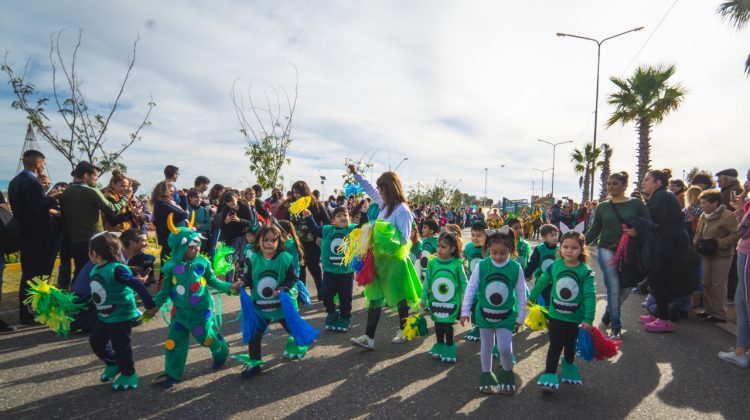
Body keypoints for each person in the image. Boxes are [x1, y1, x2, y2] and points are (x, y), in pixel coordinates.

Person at [152, 216, 241, 388]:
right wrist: (152, 307)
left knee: (206, 339)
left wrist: (231, 287)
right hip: (179, 314)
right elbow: (164, 291)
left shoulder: (203, 262)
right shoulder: (171, 267)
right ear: (180, 248)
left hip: (200, 313)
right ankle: (173, 374)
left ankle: (221, 351)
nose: (197, 248)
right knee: (173, 343)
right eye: (192, 246)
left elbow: (214, 281)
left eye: (198, 244)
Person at [348, 165, 421, 349]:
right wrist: (356, 174)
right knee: (374, 297)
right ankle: (369, 337)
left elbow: (404, 239)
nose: (379, 192)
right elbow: (369, 188)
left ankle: (405, 331)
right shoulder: (384, 204)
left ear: (390, 188)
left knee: (399, 298)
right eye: (379, 189)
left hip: (395, 263)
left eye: (382, 189)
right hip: (378, 260)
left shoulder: (403, 211)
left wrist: (380, 233)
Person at [584, 172, 650, 340]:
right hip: (606, 249)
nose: (611, 187)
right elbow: (594, 230)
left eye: (615, 183)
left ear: (624, 186)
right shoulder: (602, 206)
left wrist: (636, 231)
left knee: (626, 288)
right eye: (608, 183)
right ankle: (616, 325)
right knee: (613, 286)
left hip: (630, 252)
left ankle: (608, 313)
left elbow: (648, 224)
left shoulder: (636, 204)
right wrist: (577, 242)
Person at [240, 225, 312, 379]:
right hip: (259, 305)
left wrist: (282, 288)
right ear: (258, 241)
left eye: (274, 240)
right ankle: (254, 363)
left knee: (292, 328)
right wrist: (241, 282)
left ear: (279, 242)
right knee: (255, 335)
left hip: (280, 305)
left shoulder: (285, 259)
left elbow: (292, 278)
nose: (269, 243)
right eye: (266, 240)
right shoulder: (254, 258)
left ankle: (301, 342)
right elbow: (249, 277)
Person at [88, 232, 157, 390]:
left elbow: (137, 285)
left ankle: (128, 373)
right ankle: (113, 364)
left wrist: (150, 305)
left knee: (121, 347)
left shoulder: (117, 269)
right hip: (104, 315)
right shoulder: (96, 269)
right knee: (96, 341)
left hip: (120, 315)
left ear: (95, 253)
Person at [461, 228, 526, 394]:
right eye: (494, 252)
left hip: (506, 316)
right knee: (487, 347)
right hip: (484, 315)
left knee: (504, 347)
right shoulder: (482, 266)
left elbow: (521, 293)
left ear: (510, 250)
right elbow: (471, 288)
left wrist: (521, 315)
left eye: (503, 253)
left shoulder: (515, 268)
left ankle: (506, 374)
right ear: (488, 248)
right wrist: (465, 311)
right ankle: (486, 376)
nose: (498, 256)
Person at [528, 231, 596, 392]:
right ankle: (550, 374)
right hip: (556, 314)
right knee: (556, 343)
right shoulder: (555, 266)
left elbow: (590, 296)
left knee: (570, 344)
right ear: (560, 247)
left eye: (574, 247)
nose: (569, 250)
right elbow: (542, 282)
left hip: (575, 317)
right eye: (565, 246)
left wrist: (589, 318)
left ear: (581, 249)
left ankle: (568, 365)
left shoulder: (585, 272)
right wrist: (531, 297)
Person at [8, 150, 61, 324]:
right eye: (43, 164)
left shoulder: (15, 181)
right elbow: (37, 208)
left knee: (29, 273)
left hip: (25, 233)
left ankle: (29, 310)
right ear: (38, 164)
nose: (44, 167)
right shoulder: (32, 183)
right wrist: (52, 197)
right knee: (37, 274)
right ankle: (31, 311)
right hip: (38, 235)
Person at [639, 169, 690, 333]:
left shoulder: (661, 195)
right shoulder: (662, 195)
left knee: (655, 277)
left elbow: (649, 218)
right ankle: (660, 315)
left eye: (647, 179)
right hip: (672, 243)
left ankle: (663, 319)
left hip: (671, 244)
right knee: (663, 280)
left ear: (658, 182)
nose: (643, 182)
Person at [307, 206, 357, 332]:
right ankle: (332, 311)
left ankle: (345, 317)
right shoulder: (328, 230)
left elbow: (363, 226)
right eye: (339, 215)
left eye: (345, 215)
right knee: (325, 294)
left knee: (345, 298)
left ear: (349, 219)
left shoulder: (352, 229)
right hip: (329, 272)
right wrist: (309, 217)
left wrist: (364, 212)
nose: (343, 217)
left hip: (346, 273)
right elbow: (314, 229)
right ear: (333, 221)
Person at [693, 190, 739, 323]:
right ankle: (709, 310)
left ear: (715, 203)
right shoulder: (703, 215)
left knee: (718, 283)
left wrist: (718, 243)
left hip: (722, 255)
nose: (702, 206)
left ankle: (719, 313)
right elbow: (698, 231)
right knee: (705, 281)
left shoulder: (728, 216)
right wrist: (697, 242)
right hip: (706, 253)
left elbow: (735, 235)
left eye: (704, 203)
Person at [422, 232, 466, 363]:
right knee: (438, 323)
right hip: (435, 300)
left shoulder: (457, 264)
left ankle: (449, 346)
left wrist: (467, 302)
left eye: (443, 247)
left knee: (447, 324)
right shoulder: (432, 262)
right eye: (438, 246)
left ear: (452, 249)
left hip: (452, 301)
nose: (439, 249)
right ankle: (440, 344)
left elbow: (464, 283)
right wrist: (423, 299)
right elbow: (427, 282)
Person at [719, 179, 750, 367]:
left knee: (745, 302)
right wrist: (740, 209)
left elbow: (743, 232)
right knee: (740, 300)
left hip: (747, 255)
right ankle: (741, 348)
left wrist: (740, 212)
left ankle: (741, 352)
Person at [290, 180, 331, 296]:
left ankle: (321, 292)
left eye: (298, 192)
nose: (295, 195)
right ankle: (302, 296)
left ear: (305, 191)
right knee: (300, 269)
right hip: (298, 243)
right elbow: (288, 223)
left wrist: (320, 235)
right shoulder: (293, 206)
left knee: (314, 268)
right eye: (294, 193)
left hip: (313, 242)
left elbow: (327, 221)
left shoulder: (316, 204)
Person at [215, 190, 257, 282]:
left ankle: (244, 280)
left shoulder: (245, 207)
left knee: (243, 259)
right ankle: (229, 282)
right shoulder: (226, 210)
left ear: (237, 199)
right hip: (232, 238)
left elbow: (251, 222)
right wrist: (226, 222)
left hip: (244, 236)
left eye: (233, 202)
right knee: (231, 259)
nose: (231, 205)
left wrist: (239, 220)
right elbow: (221, 226)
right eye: (229, 203)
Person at [151, 180, 188, 270]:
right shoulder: (161, 203)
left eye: (173, 191)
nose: (173, 193)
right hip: (168, 238)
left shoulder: (169, 202)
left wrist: (183, 197)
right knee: (168, 262)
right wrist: (185, 213)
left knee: (176, 261)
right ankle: (164, 282)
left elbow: (183, 210)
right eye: (170, 191)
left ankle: (175, 280)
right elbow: (182, 214)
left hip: (175, 237)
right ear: (163, 191)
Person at [524, 224, 560, 305]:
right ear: (544, 237)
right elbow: (533, 263)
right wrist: (526, 274)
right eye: (552, 235)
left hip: (555, 283)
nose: (555, 237)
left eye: (556, 235)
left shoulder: (560, 249)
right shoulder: (539, 249)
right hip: (541, 281)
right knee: (541, 304)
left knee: (553, 304)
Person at [187, 188, 212, 253]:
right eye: (196, 197)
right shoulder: (185, 209)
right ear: (190, 198)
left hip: (201, 237)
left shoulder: (204, 210)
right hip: (189, 237)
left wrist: (200, 226)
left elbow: (208, 224)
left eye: (200, 197)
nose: (199, 199)